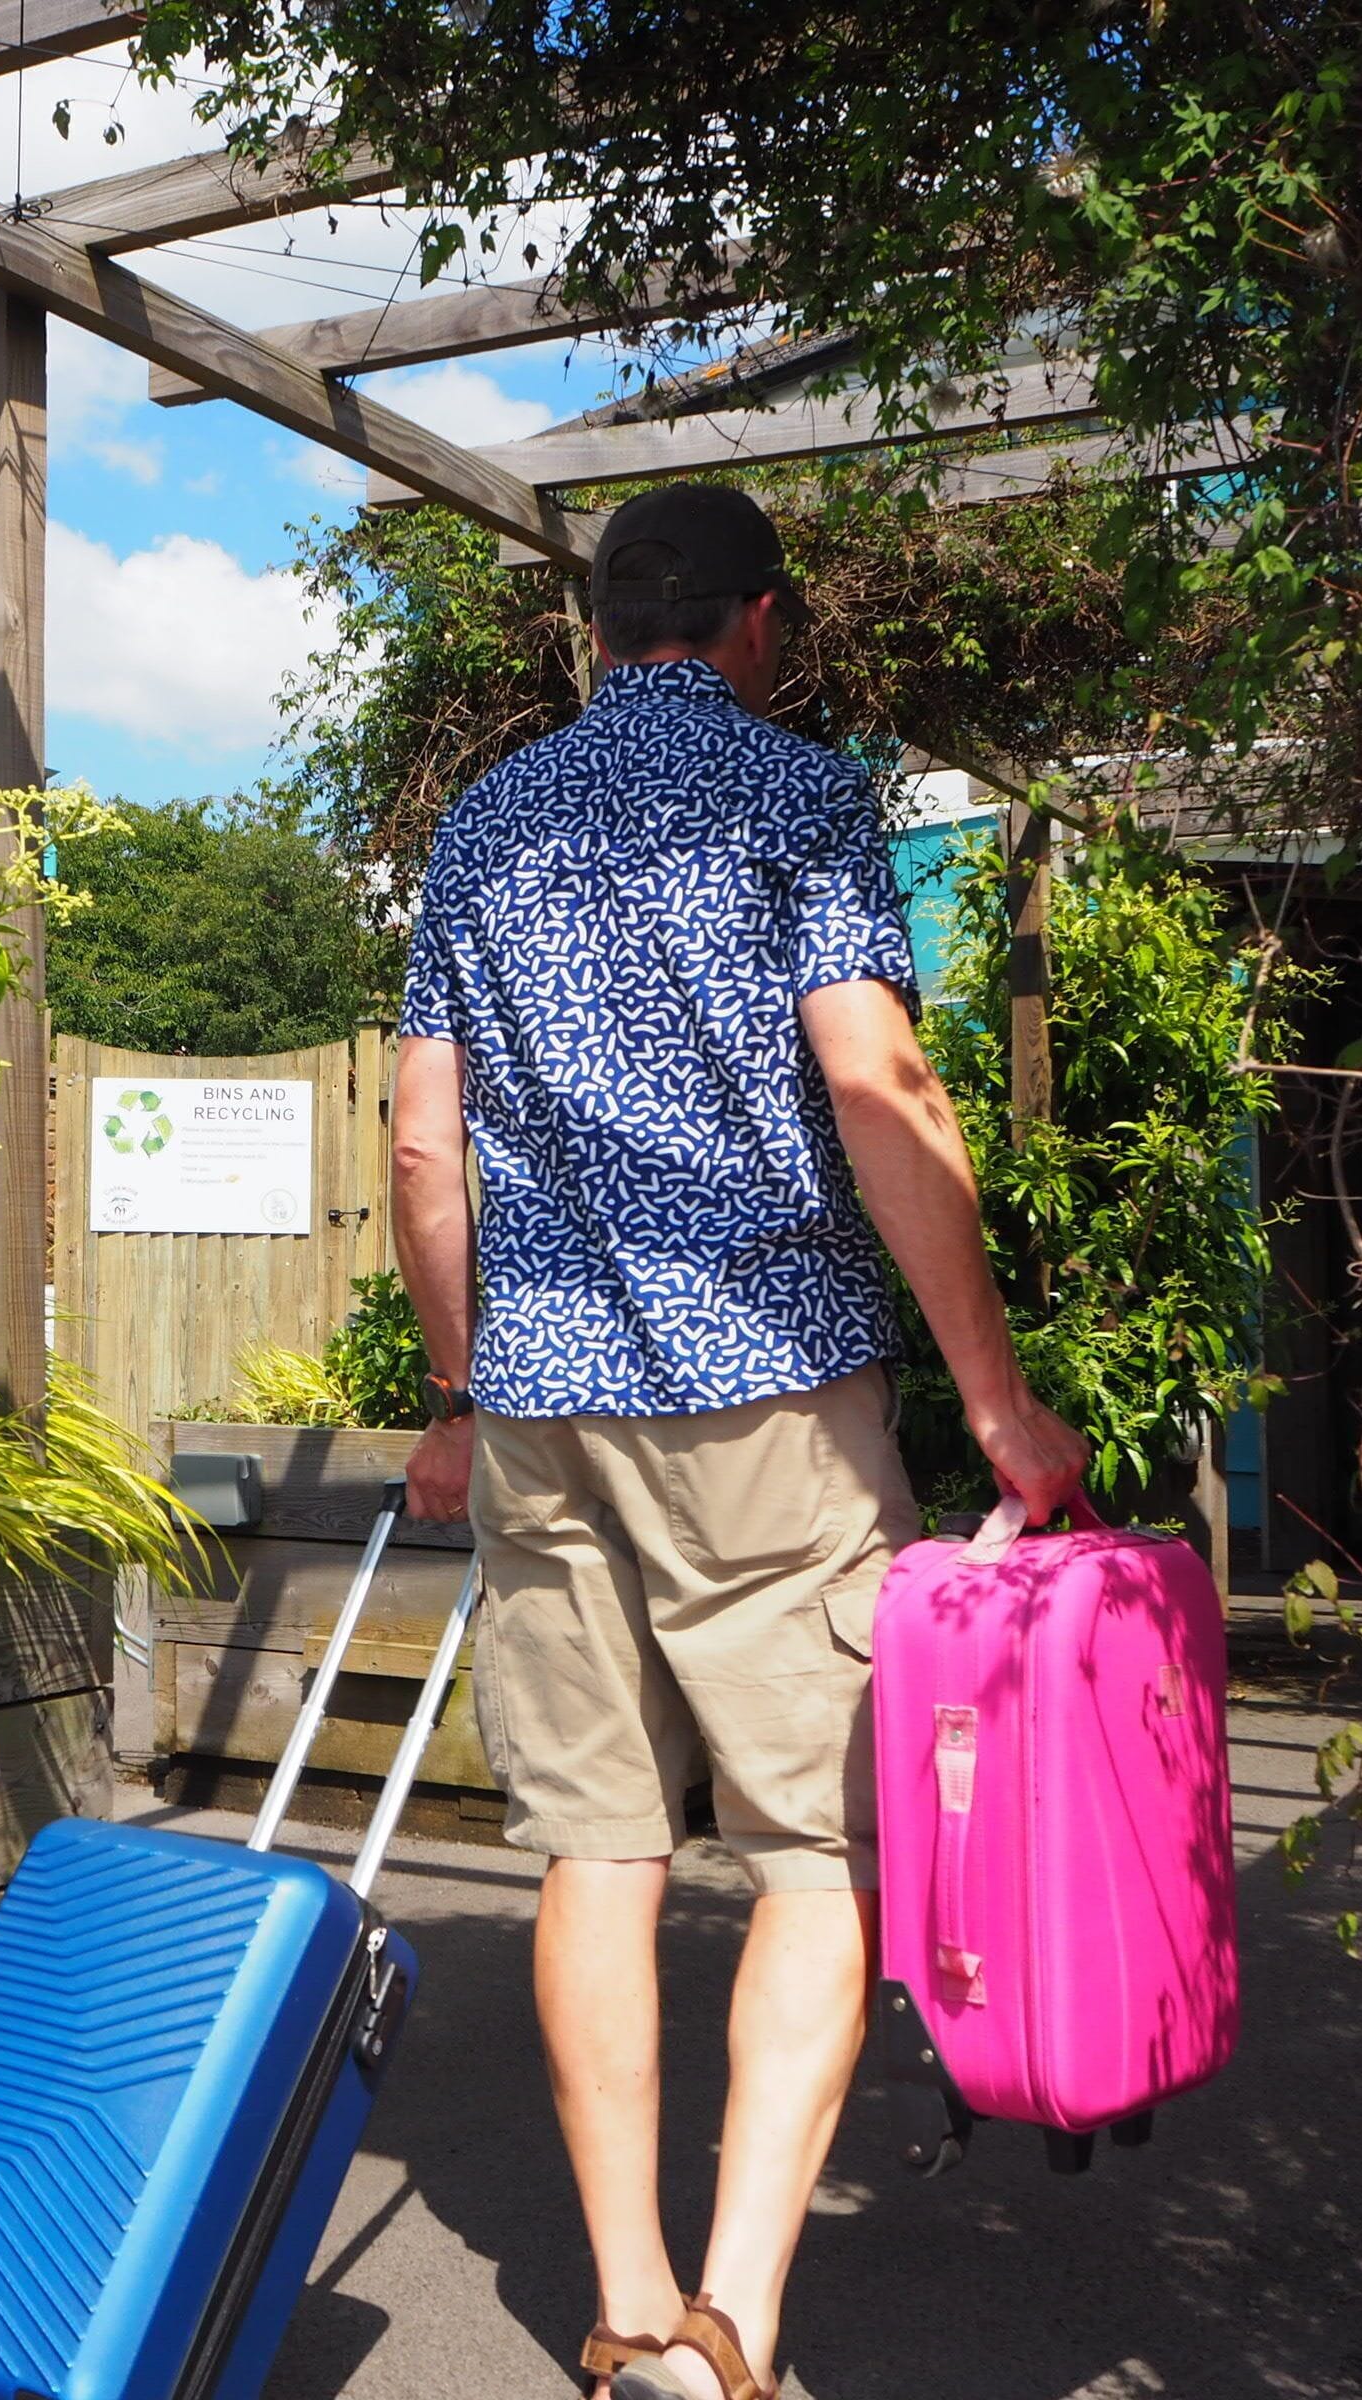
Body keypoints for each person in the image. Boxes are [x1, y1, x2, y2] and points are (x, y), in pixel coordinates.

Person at [387, 482, 1088, 2400]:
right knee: (813, 1855)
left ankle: (621, 2314)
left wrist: (463, 1388)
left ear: (599, 631)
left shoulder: (483, 826)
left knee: (596, 1849)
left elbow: (423, 1148)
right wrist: (996, 1397)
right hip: (770, 1392)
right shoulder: (797, 797)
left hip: (542, 1409)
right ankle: (736, 2326)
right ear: (760, 625)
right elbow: (875, 1081)